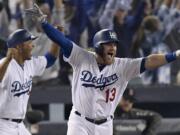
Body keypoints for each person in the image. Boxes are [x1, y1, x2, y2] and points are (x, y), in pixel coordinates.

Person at [25, 4, 180, 135]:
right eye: (108, 44)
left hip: (105, 125)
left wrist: (175, 54)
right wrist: (44, 23)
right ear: (98, 46)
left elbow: (150, 61)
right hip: (79, 121)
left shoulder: (123, 66)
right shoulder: (82, 57)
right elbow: (62, 41)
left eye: (114, 44)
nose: (113, 47)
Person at [0, 27, 60, 135]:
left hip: (20, 125)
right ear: (19, 47)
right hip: (3, 125)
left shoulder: (30, 63)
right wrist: (8, 59)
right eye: (29, 43)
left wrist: (58, 38)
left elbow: (50, 59)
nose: (33, 46)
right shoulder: (5, 64)